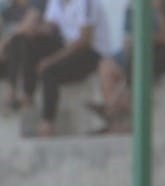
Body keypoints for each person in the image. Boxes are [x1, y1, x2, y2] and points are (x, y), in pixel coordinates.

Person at [14, 0, 114, 137]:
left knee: (49, 71)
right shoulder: (56, 3)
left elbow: (85, 41)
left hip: (91, 53)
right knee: (26, 41)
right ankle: (27, 94)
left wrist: (51, 60)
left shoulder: (86, 3)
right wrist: (32, 30)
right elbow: (50, 28)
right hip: (67, 47)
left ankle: (47, 123)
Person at [94, 0, 165, 134]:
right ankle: (116, 112)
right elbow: (128, 37)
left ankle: (114, 108)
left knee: (140, 58)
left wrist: (160, 14)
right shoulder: (135, 7)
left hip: (164, 52)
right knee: (107, 65)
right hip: (144, 50)